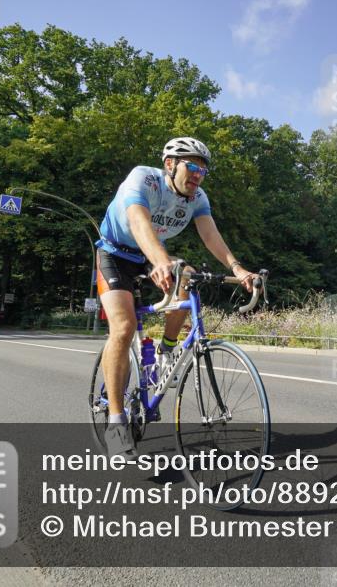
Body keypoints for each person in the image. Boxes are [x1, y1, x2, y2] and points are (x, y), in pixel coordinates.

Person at [96, 137, 257, 457]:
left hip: (150, 255)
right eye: (193, 166)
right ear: (170, 164)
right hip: (114, 254)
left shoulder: (198, 198)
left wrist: (238, 269)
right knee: (124, 327)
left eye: (204, 170)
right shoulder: (143, 179)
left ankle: (166, 350)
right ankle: (116, 421)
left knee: (189, 278)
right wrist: (159, 261)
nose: (199, 174)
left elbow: (211, 235)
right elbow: (138, 222)